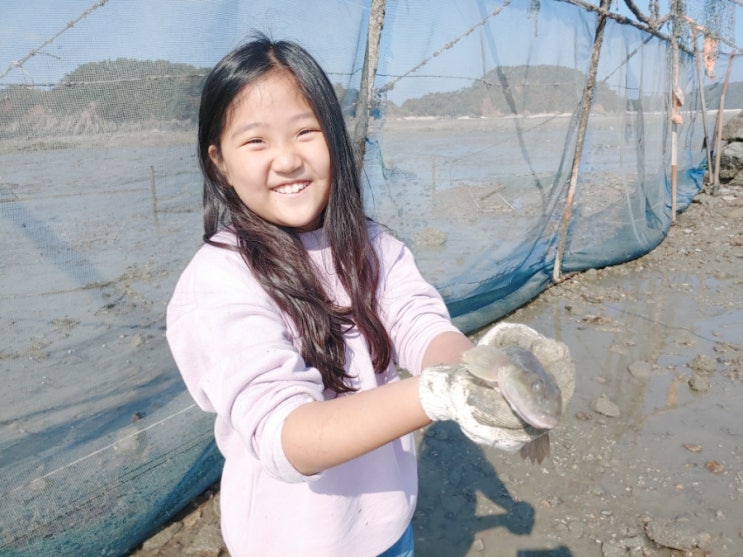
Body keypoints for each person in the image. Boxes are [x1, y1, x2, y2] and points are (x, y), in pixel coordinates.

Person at [166, 34, 573, 557]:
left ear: (334, 138)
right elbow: (289, 438)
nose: (287, 160)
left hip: (388, 526)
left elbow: (419, 324)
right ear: (219, 161)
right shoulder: (217, 283)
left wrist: (485, 367)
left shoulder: (371, 244)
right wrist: (438, 394)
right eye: (256, 142)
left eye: (306, 132)